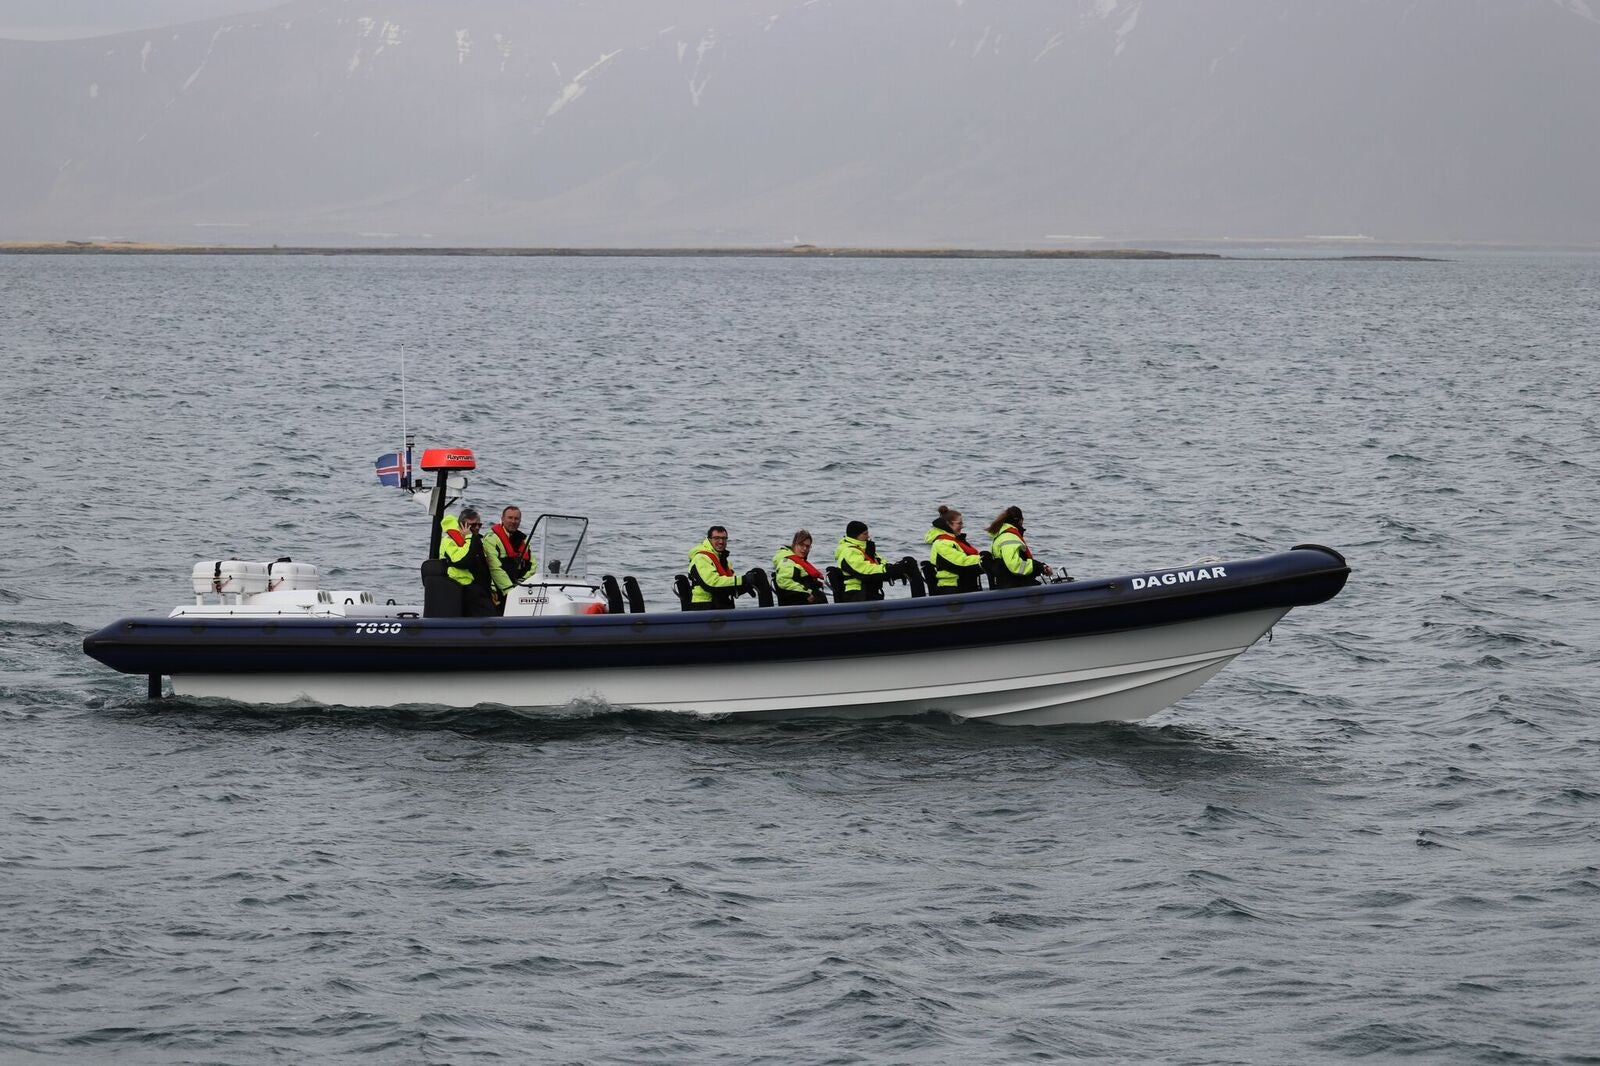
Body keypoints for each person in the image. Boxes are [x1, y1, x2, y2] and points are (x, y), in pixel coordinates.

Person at [439, 506, 508, 616]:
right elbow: (463, 561)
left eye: (479, 525)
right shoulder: (449, 541)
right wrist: (469, 538)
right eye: (472, 526)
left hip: (479, 588)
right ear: (461, 526)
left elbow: (487, 568)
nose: (476, 528)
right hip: (463, 588)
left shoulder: (478, 541)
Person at [986, 505, 1054, 588]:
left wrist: (1040, 566)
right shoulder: (1009, 537)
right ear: (1021, 520)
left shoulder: (1002, 535)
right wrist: (1039, 567)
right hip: (1014, 585)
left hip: (1008, 583)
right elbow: (1015, 566)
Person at [924, 505, 984, 594]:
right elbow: (961, 562)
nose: (962, 526)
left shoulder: (955, 540)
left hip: (964, 585)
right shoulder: (942, 543)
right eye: (959, 523)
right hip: (952, 589)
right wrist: (983, 561)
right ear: (948, 524)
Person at [834, 521, 894, 602]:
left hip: (868, 591)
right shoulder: (849, 552)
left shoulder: (866, 549)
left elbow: (880, 562)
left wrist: (893, 569)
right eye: (865, 534)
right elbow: (864, 570)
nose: (868, 536)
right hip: (855, 594)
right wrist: (885, 569)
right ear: (856, 536)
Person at [486, 505, 537, 602]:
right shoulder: (491, 539)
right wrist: (509, 591)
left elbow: (533, 565)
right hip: (499, 589)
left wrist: (521, 583)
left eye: (516, 519)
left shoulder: (524, 541)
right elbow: (494, 568)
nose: (513, 521)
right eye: (510, 518)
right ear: (502, 519)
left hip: (519, 587)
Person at [686, 526, 743, 610]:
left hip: (720, 605)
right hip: (704, 606)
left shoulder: (723, 560)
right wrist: (743, 579)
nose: (721, 542)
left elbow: (728, 584)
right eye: (716, 538)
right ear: (709, 539)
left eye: (724, 538)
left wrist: (746, 584)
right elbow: (712, 584)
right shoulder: (701, 558)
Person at [773, 530, 827, 606]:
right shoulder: (787, 562)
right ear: (794, 544)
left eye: (807, 546)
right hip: (797, 605)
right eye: (801, 545)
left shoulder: (797, 561)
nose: (804, 549)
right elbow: (784, 581)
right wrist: (807, 593)